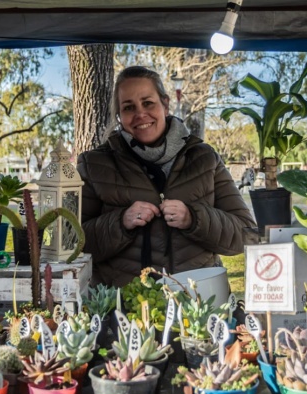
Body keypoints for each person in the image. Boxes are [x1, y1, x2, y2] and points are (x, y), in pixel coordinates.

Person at [77, 66, 257, 287]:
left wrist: (194, 218)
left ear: (165, 104)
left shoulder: (204, 158)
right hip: (122, 305)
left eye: (148, 103)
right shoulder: (94, 164)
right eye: (128, 107)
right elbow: (73, 243)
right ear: (119, 116)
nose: (140, 114)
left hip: (198, 302)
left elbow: (245, 234)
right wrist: (120, 222)